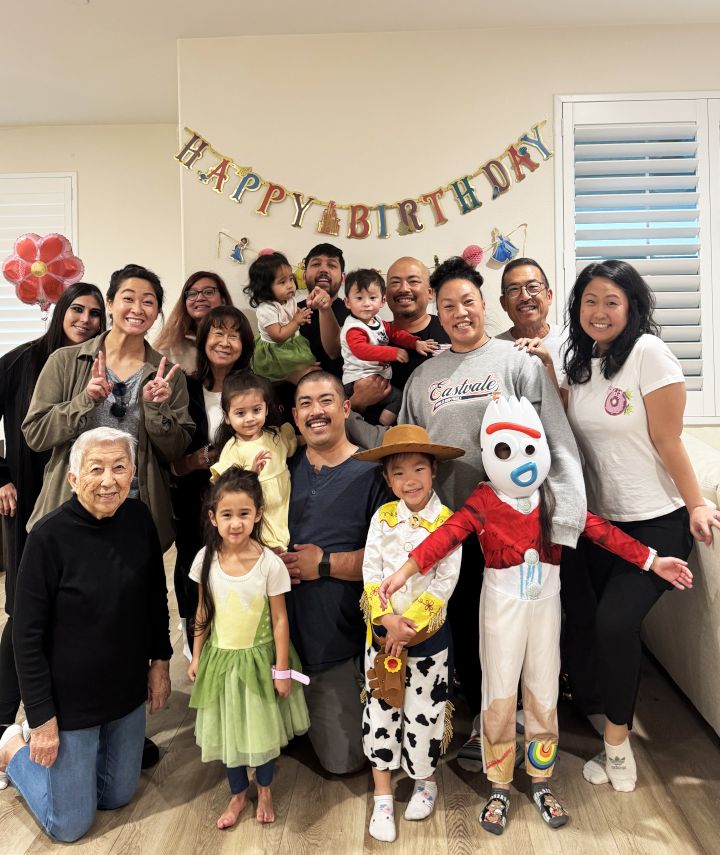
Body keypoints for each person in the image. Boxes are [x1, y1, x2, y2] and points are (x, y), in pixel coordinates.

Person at [380, 396, 692, 835]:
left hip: (546, 603)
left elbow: (598, 529)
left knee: (544, 692)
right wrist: (404, 571)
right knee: (499, 693)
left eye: (529, 448)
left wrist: (652, 560)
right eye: (505, 450)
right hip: (501, 606)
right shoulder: (484, 500)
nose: (520, 461)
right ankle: (500, 785)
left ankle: (542, 780)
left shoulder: (554, 497)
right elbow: (446, 537)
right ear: (488, 454)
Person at [346, 256, 585, 770]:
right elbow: (404, 451)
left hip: (514, 531)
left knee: (513, 635)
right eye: (448, 305)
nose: (459, 313)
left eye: (468, 302)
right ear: (439, 311)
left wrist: (565, 519)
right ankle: (473, 721)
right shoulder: (423, 377)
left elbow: (556, 440)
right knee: (461, 628)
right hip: (448, 529)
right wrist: (347, 423)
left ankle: (515, 727)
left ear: (484, 305)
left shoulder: (516, 363)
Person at [560, 259, 720, 792]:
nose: (600, 311)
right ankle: (605, 725)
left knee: (614, 624)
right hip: (602, 527)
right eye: (590, 301)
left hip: (657, 522)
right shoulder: (583, 362)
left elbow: (669, 438)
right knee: (594, 625)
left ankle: (617, 747)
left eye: (612, 301)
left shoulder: (649, 354)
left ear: (632, 307)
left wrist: (696, 505)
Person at [0, 428, 172, 842]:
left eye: (119, 467)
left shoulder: (139, 519)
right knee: (69, 826)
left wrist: (161, 662)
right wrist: (41, 718)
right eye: (96, 469)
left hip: (125, 692)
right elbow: (25, 637)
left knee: (117, 796)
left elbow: (155, 597)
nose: (109, 480)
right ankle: (11, 749)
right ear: (74, 479)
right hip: (70, 703)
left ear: (133, 473)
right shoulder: (47, 538)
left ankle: (78, 767)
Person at [23, 263, 194, 553]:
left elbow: (175, 451)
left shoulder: (167, 374)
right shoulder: (65, 361)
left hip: (136, 511)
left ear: (156, 312)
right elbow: (36, 434)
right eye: (128, 298)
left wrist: (155, 409)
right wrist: (85, 401)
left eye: (148, 302)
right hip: (71, 508)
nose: (137, 309)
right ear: (111, 304)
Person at [0, 282, 106, 741]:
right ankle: (4, 716)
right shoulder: (20, 362)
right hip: (26, 497)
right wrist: (0, 475)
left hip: (79, 502)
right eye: (77, 309)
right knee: (25, 608)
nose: (85, 319)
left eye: (95, 313)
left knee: (76, 608)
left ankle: (70, 714)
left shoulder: (100, 366)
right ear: (61, 309)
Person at [353, 425, 463, 843]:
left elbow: (444, 584)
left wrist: (409, 627)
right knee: (380, 709)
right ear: (387, 479)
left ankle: (424, 780)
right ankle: (382, 793)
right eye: (398, 472)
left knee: (425, 713)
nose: (410, 480)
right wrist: (386, 621)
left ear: (434, 471)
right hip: (382, 639)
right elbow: (371, 573)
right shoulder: (383, 518)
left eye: (419, 468)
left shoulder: (448, 523)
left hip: (427, 642)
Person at [187, 467, 309, 829]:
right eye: (227, 514)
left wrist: (282, 669)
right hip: (221, 662)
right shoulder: (205, 559)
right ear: (213, 517)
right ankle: (238, 793)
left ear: (258, 514)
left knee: (262, 729)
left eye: (244, 513)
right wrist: (197, 655)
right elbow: (203, 611)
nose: (236, 523)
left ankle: (265, 790)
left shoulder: (269, 564)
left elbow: (280, 620)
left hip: (259, 663)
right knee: (230, 730)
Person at [283, 371, 389, 774]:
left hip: (335, 643)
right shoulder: (280, 470)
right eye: (306, 404)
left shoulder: (373, 474)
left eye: (326, 401)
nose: (316, 411)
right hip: (278, 641)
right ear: (295, 416)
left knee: (343, 762)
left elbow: (388, 561)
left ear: (346, 408)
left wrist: (324, 563)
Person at [171, 305, 255, 651]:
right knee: (195, 575)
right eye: (218, 333)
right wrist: (197, 460)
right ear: (203, 339)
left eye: (234, 335)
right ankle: (197, 651)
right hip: (193, 505)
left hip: (244, 507)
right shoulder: (184, 386)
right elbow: (169, 458)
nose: (225, 341)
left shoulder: (256, 389)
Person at [211, 372, 297, 551]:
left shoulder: (276, 435)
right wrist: (252, 474)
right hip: (257, 509)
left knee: (285, 538)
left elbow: (292, 446)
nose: (250, 418)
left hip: (284, 504)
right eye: (240, 413)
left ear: (266, 409)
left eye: (256, 410)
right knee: (264, 547)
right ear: (227, 417)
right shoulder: (233, 448)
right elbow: (227, 488)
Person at [341, 268, 437, 425]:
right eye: (359, 298)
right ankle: (377, 426)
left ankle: (383, 427)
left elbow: (395, 333)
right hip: (357, 379)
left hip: (377, 377)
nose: (366, 304)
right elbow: (360, 350)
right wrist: (393, 352)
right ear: (347, 302)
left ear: (382, 301)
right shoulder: (353, 327)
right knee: (388, 396)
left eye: (372, 298)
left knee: (399, 398)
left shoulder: (377, 321)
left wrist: (415, 343)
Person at [245, 252, 317, 384]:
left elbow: (290, 316)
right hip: (276, 351)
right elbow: (278, 336)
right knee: (285, 376)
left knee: (308, 369)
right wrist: (296, 321)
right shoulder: (266, 309)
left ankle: (303, 375)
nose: (290, 285)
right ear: (265, 287)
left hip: (293, 342)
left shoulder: (289, 300)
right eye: (282, 282)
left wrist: (301, 316)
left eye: (291, 279)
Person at [495, 257, 567, 387]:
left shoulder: (572, 341)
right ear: (503, 303)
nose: (525, 296)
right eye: (514, 289)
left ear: (549, 296)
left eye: (533, 287)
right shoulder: (494, 350)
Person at [384, 256, 451, 390]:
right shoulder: (374, 335)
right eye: (395, 282)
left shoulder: (451, 330)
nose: (404, 289)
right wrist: (359, 400)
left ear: (430, 292)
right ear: (385, 294)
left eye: (413, 281)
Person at [154, 270, 233, 374]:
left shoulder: (237, 342)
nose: (199, 298)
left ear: (223, 300)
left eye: (208, 292)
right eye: (192, 294)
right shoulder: (167, 349)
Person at [297, 243, 348, 377]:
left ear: (343, 278)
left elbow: (335, 352)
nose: (324, 270)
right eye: (316, 264)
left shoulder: (355, 313)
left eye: (332, 265)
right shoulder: (288, 311)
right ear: (304, 275)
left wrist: (325, 308)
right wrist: (290, 375)